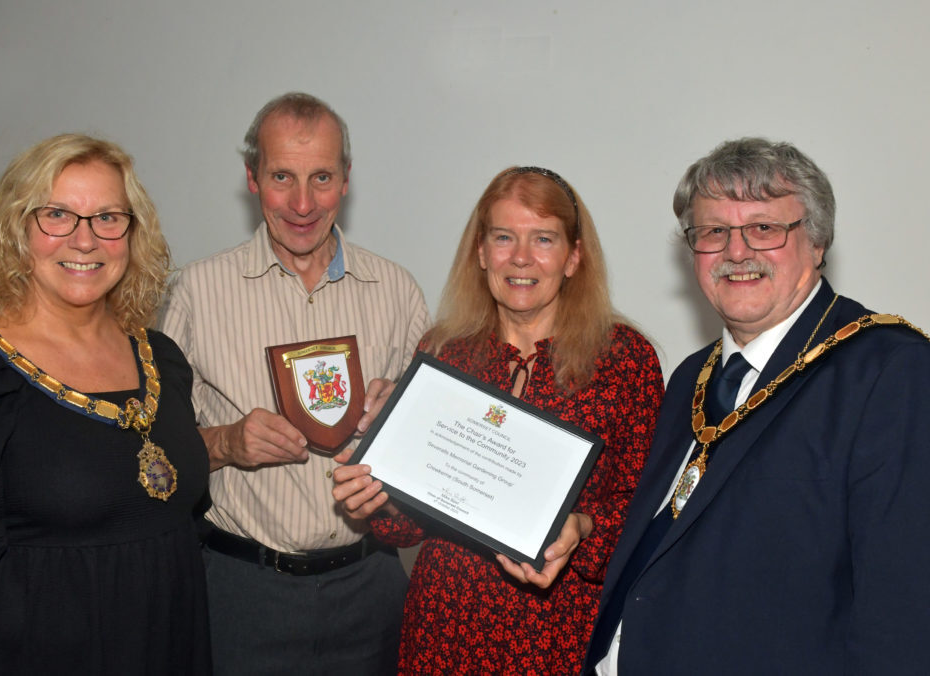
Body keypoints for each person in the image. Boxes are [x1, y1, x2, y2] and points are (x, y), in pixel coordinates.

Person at [583, 138, 930, 675]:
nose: (736, 252)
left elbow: (905, 606)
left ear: (817, 243)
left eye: (764, 228)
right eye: (713, 232)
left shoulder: (889, 371)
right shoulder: (690, 379)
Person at [334, 166, 664, 675]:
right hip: (442, 627)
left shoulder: (625, 361)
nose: (522, 258)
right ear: (481, 252)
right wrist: (372, 499)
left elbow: (644, 510)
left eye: (544, 239)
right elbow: (408, 525)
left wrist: (583, 528)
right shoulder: (443, 354)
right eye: (504, 237)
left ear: (574, 256)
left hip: (557, 632)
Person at [0, 134, 211, 674]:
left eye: (108, 217)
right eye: (57, 215)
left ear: (132, 234)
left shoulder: (162, 359)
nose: (85, 239)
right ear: (16, 229)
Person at [159, 92, 430, 675]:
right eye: (283, 176)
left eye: (322, 177)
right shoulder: (198, 291)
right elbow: (151, 455)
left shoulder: (397, 291)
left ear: (346, 180)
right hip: (242, 592)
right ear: (253, 179)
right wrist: (227, 442)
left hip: (371, 588)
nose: (303, 203)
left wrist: (402, 423)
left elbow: (432, 459)